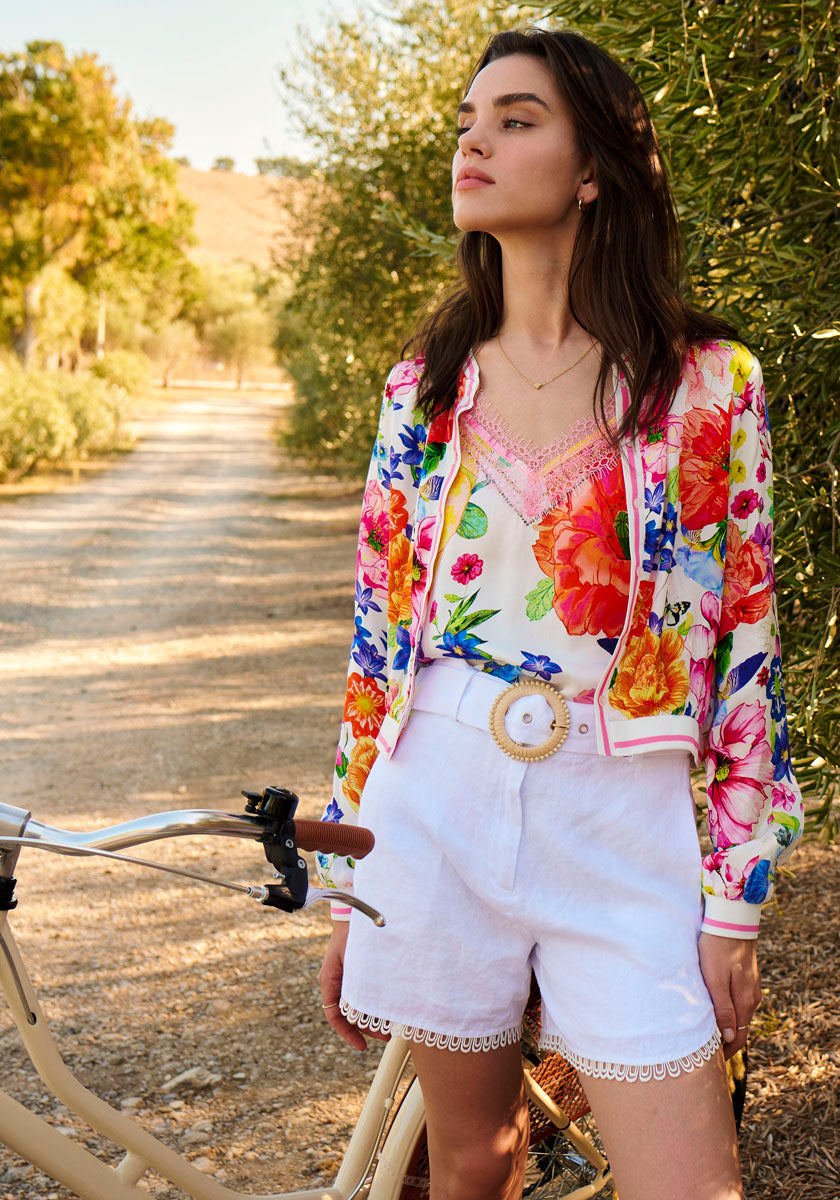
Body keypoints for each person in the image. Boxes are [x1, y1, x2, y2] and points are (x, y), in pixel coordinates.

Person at [315, 25, 804, 1200]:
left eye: (517, 118)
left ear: (595, 168)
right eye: (468, 121)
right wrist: (350, 871)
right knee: (468, 1174)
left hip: (621, 824)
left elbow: (748, 653)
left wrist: (732, 901)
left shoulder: (706, 385)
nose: (474, 140)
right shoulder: (423, 387)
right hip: (432, 812)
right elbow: (378, 647)